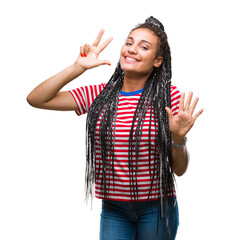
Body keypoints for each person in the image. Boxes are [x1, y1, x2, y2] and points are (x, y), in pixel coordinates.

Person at [27, 16, 203, 240]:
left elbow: (179, 169)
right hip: (114, 209)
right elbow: (37, 99)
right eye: (129, 43)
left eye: (143, 46)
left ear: (158, 60)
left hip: (157, 208)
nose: (132, 50)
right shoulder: (99, 95)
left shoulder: (169, 99)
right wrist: (77, 67)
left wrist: (178, 139)